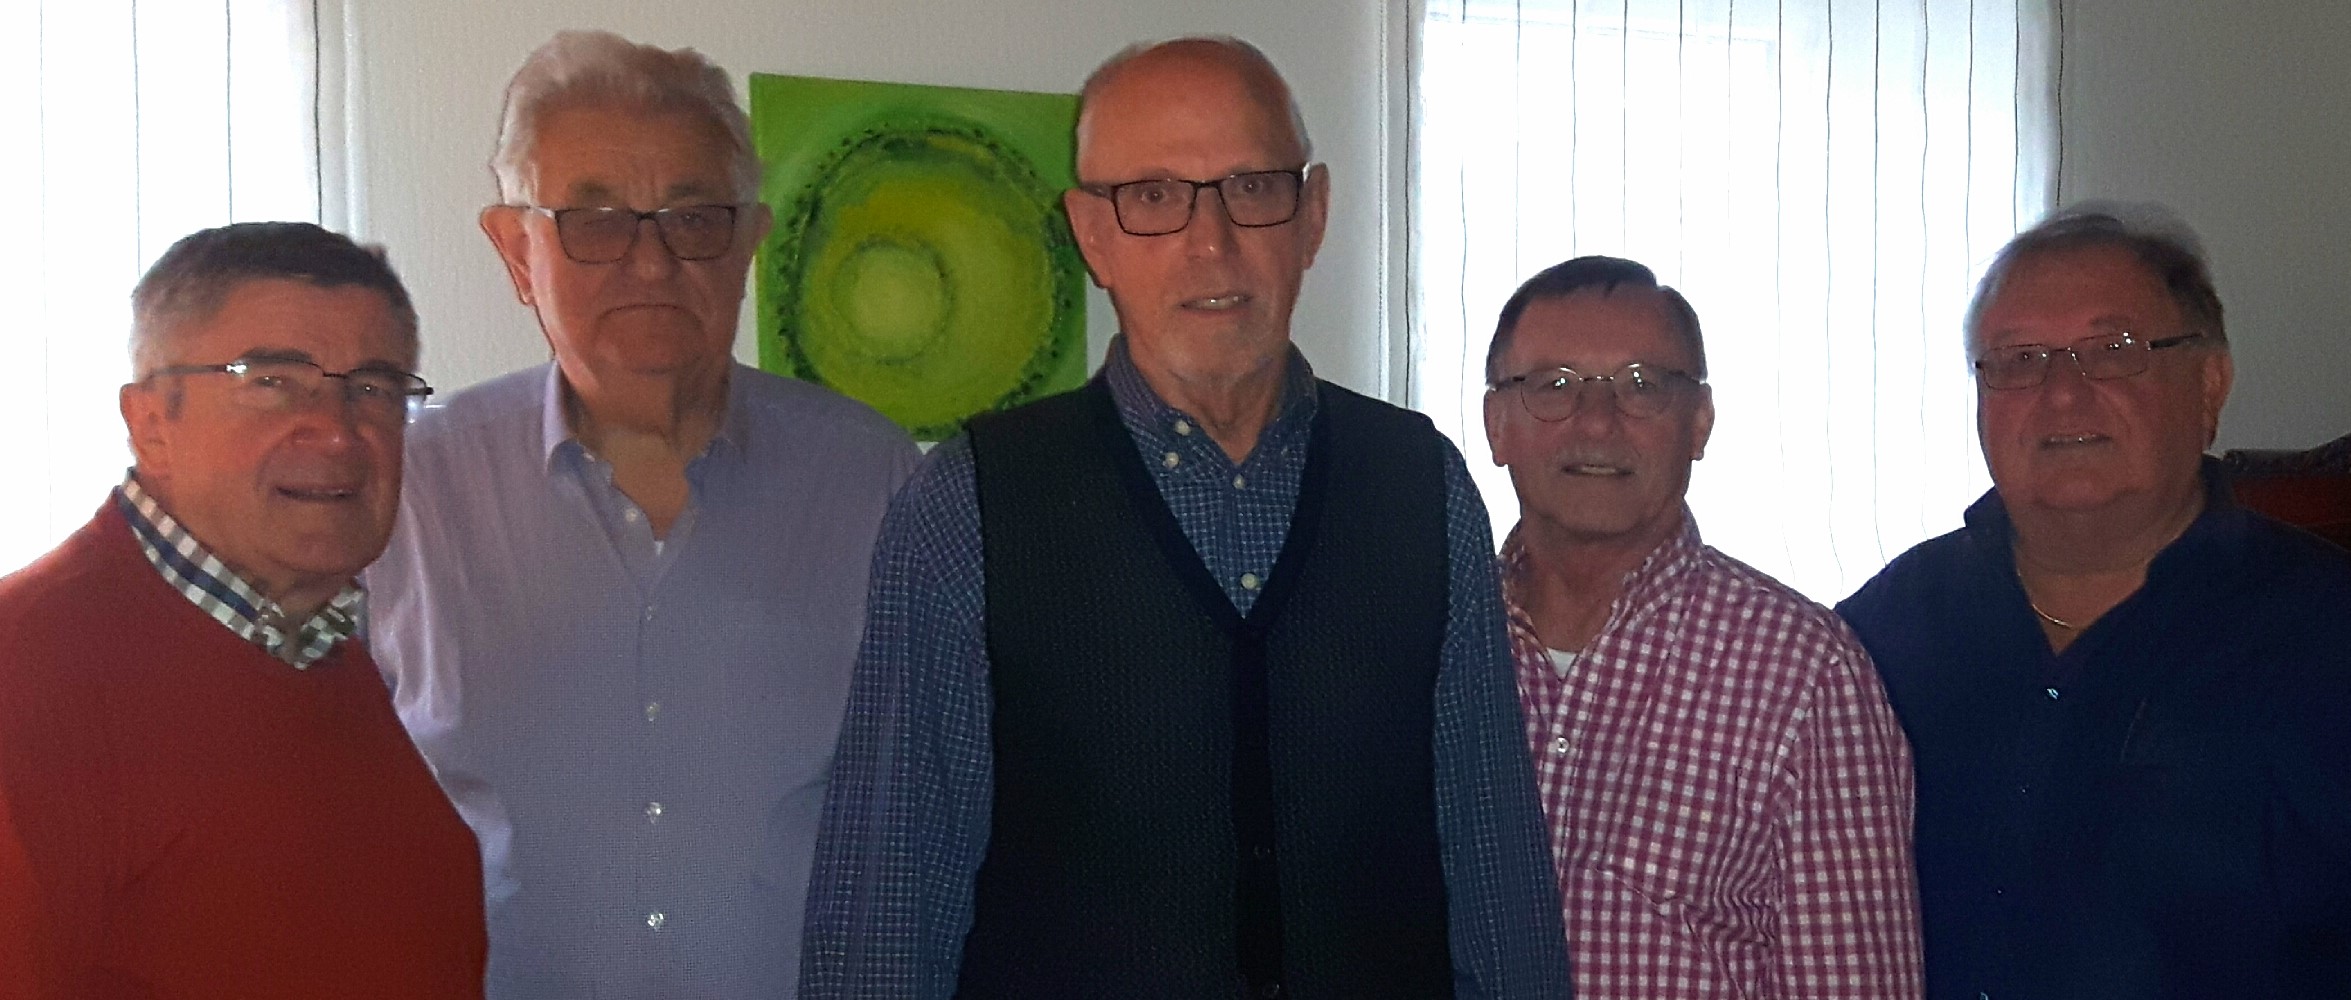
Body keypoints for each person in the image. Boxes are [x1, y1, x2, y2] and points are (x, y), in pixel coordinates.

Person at [799, 36, 1572, 1000]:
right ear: (1091, 233)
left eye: (1251, 188)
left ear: (1313, 215)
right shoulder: (969, 506)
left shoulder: (1420, 484)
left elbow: (1493, 862)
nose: (1211, 242)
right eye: (1155, 195)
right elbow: (889, 904)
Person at [365, 30, 919, 999]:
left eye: (694, 219)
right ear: (516, 251)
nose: (652, 263)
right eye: (595, 221)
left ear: (750, 241)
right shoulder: (406, 491)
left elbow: (929, 807)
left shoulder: (874, 479)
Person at [1839, 202, 2351, 999]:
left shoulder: (2325, 633)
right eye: (2017, 359)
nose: (2060, 394)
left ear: (2209, 383)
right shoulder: (1880, 632)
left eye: (2111, 352)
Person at [0, 222, 486, 997]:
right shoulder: (28, 679)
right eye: (272, 381)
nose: (337, 431)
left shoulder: (319, 650)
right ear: (151, 424)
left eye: (373, 388)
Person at [1482, 256, 1923, 999]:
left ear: (1699, 423)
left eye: (1640, 385)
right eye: (1555, 386)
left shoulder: (1805, 673)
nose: (1597, 421)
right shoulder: (1425, 642)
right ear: (1498, 427)